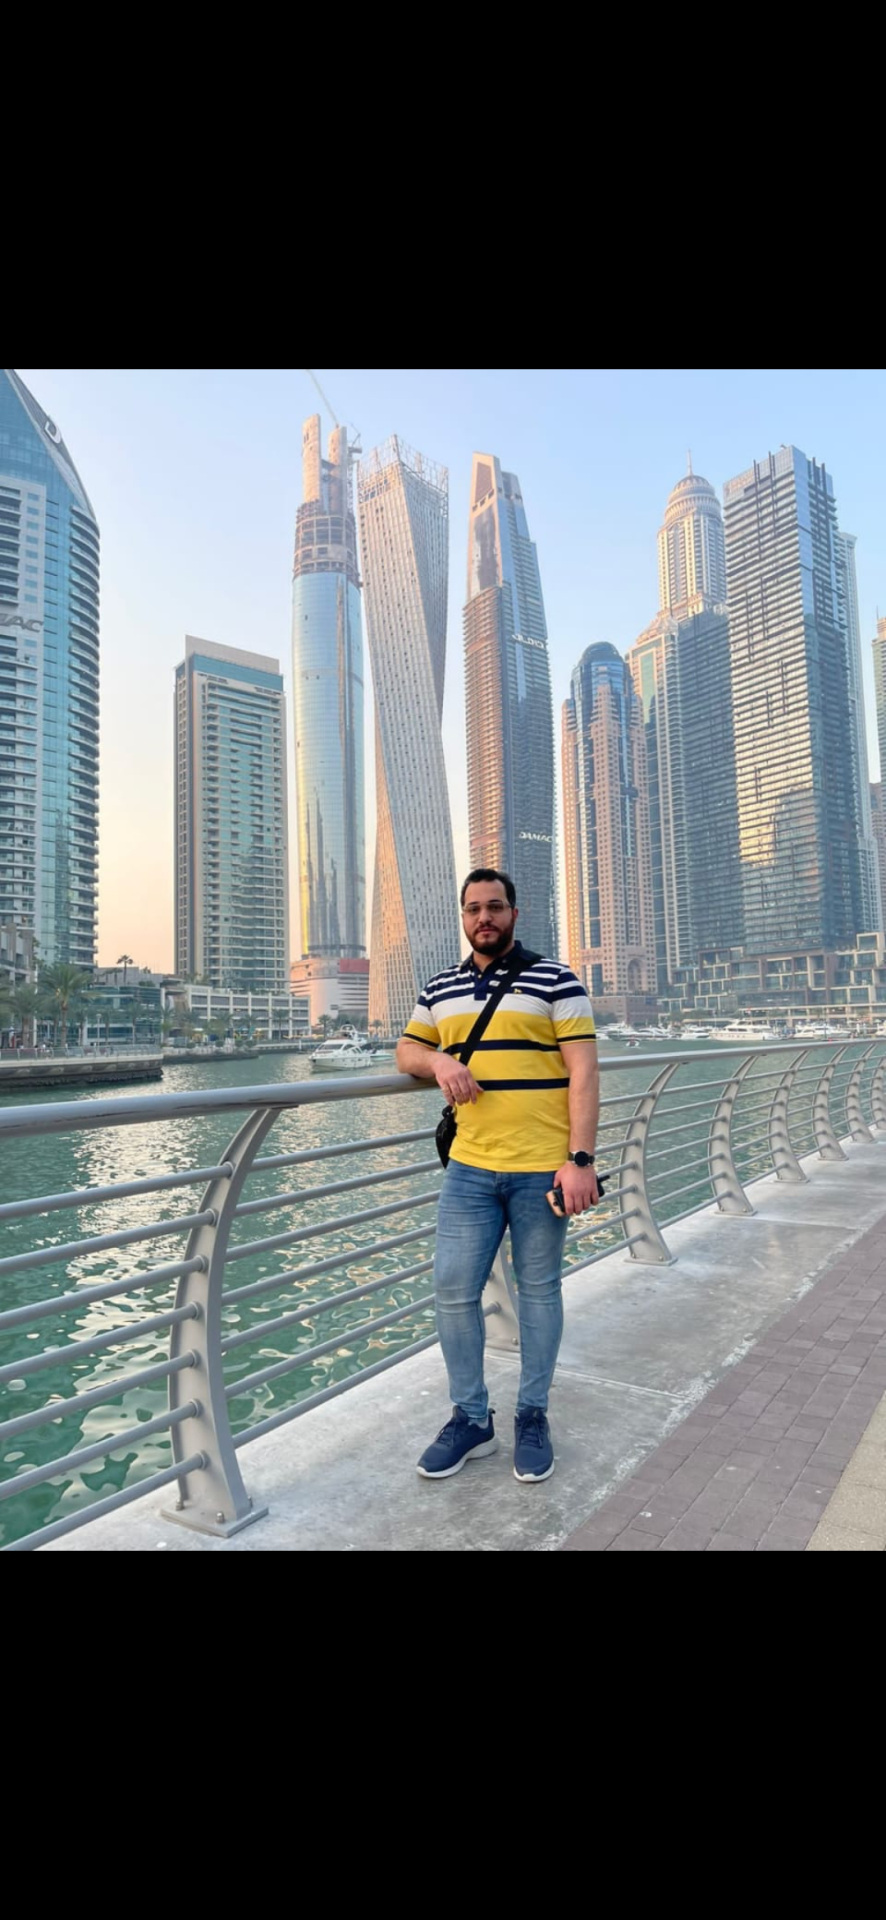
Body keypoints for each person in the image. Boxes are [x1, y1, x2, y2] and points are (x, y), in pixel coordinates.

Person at [397, 868, 599, 1484]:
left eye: (494, 906)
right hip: (469, 1168)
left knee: (539, 1291)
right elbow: (405, 1051)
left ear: (514, 912)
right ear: (463, 917)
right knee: (453, 1291)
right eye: (473, 909)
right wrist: (438, 1061)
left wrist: (580, 1160)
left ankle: (532, 1415)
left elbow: (584, 1073)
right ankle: (470, 1418)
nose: (483, 917)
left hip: (542, 1168)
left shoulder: (556, 979)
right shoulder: (441, 987)